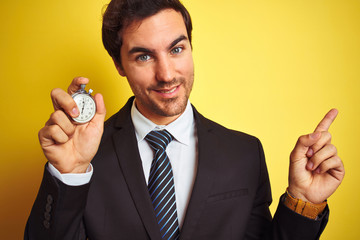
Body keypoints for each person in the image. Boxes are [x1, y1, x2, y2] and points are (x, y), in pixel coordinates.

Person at [25, 0, 344, 239]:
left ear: (190, 47)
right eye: (144, 56)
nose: (166, 75)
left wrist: (303, 202)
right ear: (118, 64)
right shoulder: (84, 159)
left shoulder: (245, 153)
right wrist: (70, 174)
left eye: (176, 49)